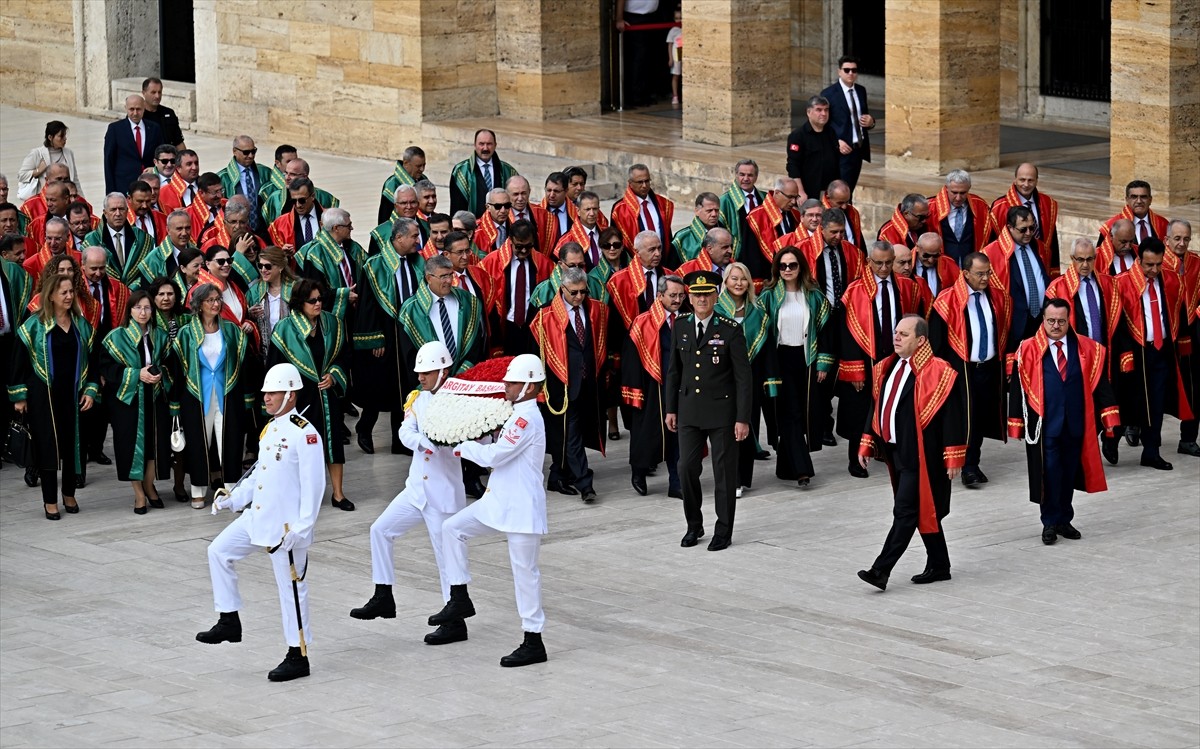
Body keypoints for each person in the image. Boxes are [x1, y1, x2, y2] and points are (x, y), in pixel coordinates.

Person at [198, 362, 324, 682]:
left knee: (291, 590)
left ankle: (298, 654)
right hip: (259, 517)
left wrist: (303, 528)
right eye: (266, 392)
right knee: (218, 551)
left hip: (285, 528)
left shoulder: (304, 434)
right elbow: (260, 476)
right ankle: (229, 620)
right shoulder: (271, 429)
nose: (265, 397)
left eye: (273, 392)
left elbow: (314, 486)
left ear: (290, 395)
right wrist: (234, 499)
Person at [427, 354, 550, 667]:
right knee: (452, 529)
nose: (505, 386)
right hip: (499, 500)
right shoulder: (513, 413)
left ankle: (533, 639)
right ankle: (459, 597)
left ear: (530, 386)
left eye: (512, 382)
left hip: (521, 505)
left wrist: (463, 446)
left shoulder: (526, 418)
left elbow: (496, 456)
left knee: (525, 573)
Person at [350, 341, 469, 643]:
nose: (420, 378)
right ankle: (383, 593)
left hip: (442, 493)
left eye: (426, 373)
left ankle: (455, 622)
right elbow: (405, 431)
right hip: (416, 489)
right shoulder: (417, 398)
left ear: (443, 370)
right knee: (380, 530)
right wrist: (424, 441)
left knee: (446, 558)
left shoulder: (459, 398)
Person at [856, 315, 966, 591]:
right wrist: (868, 441)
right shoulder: (887, 367)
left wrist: (953, 456)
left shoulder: (938, 371)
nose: (896, 338)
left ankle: (880, 571)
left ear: (921, 340)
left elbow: (954, 417)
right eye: (896, 332)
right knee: (923, 512)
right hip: (896, 453)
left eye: (904, 334)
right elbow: (877, 406)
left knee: (904, 511)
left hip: (922, 456)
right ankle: (940, 565)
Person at [1009, 299, 1120, 545]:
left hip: (1076, 422)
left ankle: (1064, 519)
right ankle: (1049, 522)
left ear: (1069, 319)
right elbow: (1018, 388)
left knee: (1069, 472)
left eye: (1061, 321)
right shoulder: (1027, 348)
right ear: (1043, 320)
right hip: (1045, 425)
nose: (1056, 326)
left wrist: (1110, 417)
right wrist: (1016, 423)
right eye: (1051, 321)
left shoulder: (1087, 348)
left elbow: (1100, 384)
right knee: (1049, 473)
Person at [665, 270, 752, 552]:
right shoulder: (681, 326)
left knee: (724, 473)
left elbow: (743, 377)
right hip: (689, 409)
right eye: (696, 294)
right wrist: (670, 409)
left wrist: (742, 418)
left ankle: (723, 530)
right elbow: (674, 372)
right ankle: (694, 525)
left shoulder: (729, 329)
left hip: (722, 412)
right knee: (686, 467)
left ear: (716, 296)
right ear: (689, 297)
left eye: (706, 294)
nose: (701, 299)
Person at [10, 272, 98, 517]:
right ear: (50, 295)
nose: (69, 296)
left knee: (72, 446)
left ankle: (69, 494)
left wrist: (90, 390)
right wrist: (19, 396)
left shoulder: (81, 325)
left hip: (73, 395)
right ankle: (50, 500)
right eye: (64, 293)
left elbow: (94, 362)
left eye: (71, 292)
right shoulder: (34, 325)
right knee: (48, 446)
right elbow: (19, 363)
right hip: (43, 396)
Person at [837, 241, 923, 478]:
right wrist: (854, 370)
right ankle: (856, 458)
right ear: (868, 262)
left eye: (888, 262)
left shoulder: (907, 287)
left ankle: (889, 453)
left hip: (896, 356)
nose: (884, 268)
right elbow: (846, 333)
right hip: (865, 358)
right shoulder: (854, 291)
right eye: (879, 263)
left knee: (896, 407)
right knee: (860, 411)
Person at [267, 278, 353, 510]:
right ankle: (300, 495)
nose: (318, 304)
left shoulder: (332, 323)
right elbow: (274, 367)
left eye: (320, 299)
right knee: (300, 446)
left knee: (333, 442)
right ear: (299, 303)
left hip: (327, 395)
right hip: (299, 398)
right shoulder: (285, 329)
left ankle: (338, 494)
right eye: (312, 300)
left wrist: (334, 375)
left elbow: (344, 356)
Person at [929, 253, 1012, 488]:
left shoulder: (997, 298)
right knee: (964, 419)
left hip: (988, 369)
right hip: (961, 370)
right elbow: (936, 344)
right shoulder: (947, 301)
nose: (986, 278)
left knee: (981, 418)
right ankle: (966, 466)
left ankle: (972, 462)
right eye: (980, 274)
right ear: (965, 274)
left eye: (988, 273)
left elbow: (1004, 330)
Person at [1112, 238, 1193, 470]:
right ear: (1139, 261)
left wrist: (1183, 343)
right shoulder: (1123, 282)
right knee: (1128, 401)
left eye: (1158, 264)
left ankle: (1151, 451)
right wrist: (1125, 352)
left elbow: (1180, 310)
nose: (1154, 270)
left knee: (1156, 403)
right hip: (1134, 352)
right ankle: (1111, 437)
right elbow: (1116, 323)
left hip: (1160, 349)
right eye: (1149, 265)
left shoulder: (1170, 280)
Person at [531, 267, 608, 502]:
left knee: (575, 433)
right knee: (571, 434)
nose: (578, 297)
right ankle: (585, 484)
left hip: (589, 384)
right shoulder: (545, 317)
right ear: (562, 289)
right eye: (573, 293)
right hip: (561, 386)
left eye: (583, 292)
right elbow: (537, 354)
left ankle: (557, 476)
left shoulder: (596, 310)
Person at [172, 282, 249, 508]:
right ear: (198, 305)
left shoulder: (231, 330)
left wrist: (247, 396)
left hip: (227, 394)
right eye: (210, 300)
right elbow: (177, 370)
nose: (216, 304)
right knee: (198, 443)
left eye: (218, 300)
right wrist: (175, 403)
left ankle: (232, 489)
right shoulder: (187, 333)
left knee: (231, 441)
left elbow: (243, 365)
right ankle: (198, 489)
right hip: (196, 396)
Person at [760, 247, 832, 487]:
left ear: (801, 267)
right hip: (780, 360)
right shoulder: (768, 295)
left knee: (802, 412)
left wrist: (823, 362)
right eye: (783, 266)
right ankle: (803, 469)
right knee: (789, 413)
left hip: (807, 358)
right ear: (776, 269)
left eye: (792, 265)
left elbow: (825, 332)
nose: (787, 270)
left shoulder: (813, 295)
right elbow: (760, 331)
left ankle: (784, 467)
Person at [354, 218, 424, 454]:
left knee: (405, 386)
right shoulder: (375, 265)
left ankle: (400, 440)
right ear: (398, 238)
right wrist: (376, 338)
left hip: (408, 332)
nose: (418, 240)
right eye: (414, 236)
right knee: (380, 387)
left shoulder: (417, 262)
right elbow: (367, 304)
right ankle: (364, 427)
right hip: (385, 333)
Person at [99, 290, 172, 514]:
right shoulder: (116, 337)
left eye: (147, 308)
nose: (143, 312)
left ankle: (150, 486)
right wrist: (135, 374)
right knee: (131, 446)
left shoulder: (159, 335)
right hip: (128, 401)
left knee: (153, 445)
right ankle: (138, 494)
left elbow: (170, 363)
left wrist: (160, 374)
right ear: (129, 310)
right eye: (138, 307)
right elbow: (106, 369)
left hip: (155, 397)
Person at [800, 208, 863, 446]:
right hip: (819, 318)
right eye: (834, 232)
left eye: (842, 232)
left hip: (845, 315)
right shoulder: (805, 249)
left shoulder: (851, 251)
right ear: (821, 229)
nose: (839, 236)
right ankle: (823, 425)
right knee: (822, 373)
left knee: (843, 367)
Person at [624, 274, 685, 498]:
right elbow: (631, 362)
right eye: (672, 295)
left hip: (680, 386)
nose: (677, 300)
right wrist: (634, 392)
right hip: (651, 387)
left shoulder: (688, 319)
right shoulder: (643, 322)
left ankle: (676, 482)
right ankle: (638, 473)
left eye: (681, 295)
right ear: (660, 296)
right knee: (646, 435)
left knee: (678, 436)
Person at [717, 262, 771, 495]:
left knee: (746, 426)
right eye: (734, 279)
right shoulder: (716, 310)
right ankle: (730, 477)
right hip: (721, 378)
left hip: (750, 378)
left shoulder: (758, 312)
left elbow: (767, 350)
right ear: (726, 282)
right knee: (726, 430)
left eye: (743, 279)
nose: (739, 283)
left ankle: (741, 479)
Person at [478, 220, 553, 356]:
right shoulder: (491, 263)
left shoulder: (544, 264)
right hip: (505, 327)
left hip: (532, 327)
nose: (524, 251)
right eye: (519, 246)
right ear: (510, 240)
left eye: (528, 246)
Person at [983, 205, 1050, 343]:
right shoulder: (991, 253)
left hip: (1042, 321)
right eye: (1023, 229)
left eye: (1032, 228)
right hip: (1014, 325)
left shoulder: (1040, 247)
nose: (1028, 233)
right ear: (1010, 227)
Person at [1163, 220, 1199, 457]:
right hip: (1164, 335)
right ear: (1166, 240)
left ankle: (1188, 439)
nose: (1181, 243)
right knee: (1156, 387)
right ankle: (1137, 430)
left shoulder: (1196, 262)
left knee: (1194, 387)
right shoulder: (1157, 263)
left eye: (1186, 238)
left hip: (1193, 334)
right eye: (1177, 238)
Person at [991, 163, 1060, 278]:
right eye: (1022, 180)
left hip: (1041, 264)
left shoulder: (1048, 204)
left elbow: (1052, 241)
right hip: (1014, 267)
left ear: (1037, 181)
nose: (1026, 185)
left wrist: (1054, 272)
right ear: (1015, 180)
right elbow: (993, 243)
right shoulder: (1000, 207)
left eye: (1030, 180)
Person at [820, 56, 875, 192]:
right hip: (840, 151)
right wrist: (836, 142)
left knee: (850, 190)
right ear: (839, 71)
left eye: (854, 70)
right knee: (840, 192)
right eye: (847, 70)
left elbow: (865, 117)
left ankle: (847, 213)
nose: (851, 73)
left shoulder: (861, 91)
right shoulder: (829, 94)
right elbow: (821, 124)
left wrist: (871, 122)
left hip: (858, 150)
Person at [607, 229, 673, 333]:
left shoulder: (669, 275)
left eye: (659, 248)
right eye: (652, 250)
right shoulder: (619, 281)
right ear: (637, 252)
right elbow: (614, 322)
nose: (657, 253)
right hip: (634, 338)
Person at [928, 170, 997, 264]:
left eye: (963, 193)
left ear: (969, 188)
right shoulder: (931, 207)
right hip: (943, 265)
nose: (958, 198)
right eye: (954, 192)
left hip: (970, 264)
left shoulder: (980, 205)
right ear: (946, 188)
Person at [449, 129, 519, 217]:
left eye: (489, 144)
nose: (485, 148)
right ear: (475, 145)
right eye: (481, 144)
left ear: (495, 145)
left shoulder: (507, 170)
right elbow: (457, 206)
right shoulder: (461, 171)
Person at [744, 177, 802, 282]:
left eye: (796, 197)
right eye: (790, 197)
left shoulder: (795, 215)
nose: (793, 202)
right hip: (767, 279)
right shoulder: (756, 217)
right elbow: (751, 255)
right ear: (777, 193)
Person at [103, 95, 162, 195]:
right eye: (131, 109)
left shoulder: (154, 128)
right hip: (124, 185)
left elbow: (161, 153)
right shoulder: (115, 129)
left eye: (138, 109)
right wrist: (110, 192)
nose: (135, 113)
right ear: (126, 108)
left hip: (150, 185)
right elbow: (109, 161)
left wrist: (155, 168)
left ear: (144, 108)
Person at [785, 95, 840, 200]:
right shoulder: (798, 136)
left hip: (829, 192)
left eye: (826, 110)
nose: (823, 114)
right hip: (808, 193)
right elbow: (793, 166)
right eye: (818, 110)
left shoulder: (831, 133)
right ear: (808, 112)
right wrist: (800, 192)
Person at [610, 164, 673, 251]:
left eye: (647, 181)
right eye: (640, 182)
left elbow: (667, 235)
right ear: (630, 183)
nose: (644, 185)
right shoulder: (620, 209)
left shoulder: (662, 204)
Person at [217, 136, 272, 237]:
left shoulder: (265, 172)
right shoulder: (223, 177)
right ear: (234, 151)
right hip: (237, 232)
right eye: (246, 152)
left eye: (253, 151)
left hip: (263, 231)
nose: (250, 156)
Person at [18, 121, 82, 201]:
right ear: (50, 137)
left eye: (65, 135)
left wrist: (82, 200)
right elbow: (21, 175)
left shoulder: (69, 153)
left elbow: (75, 180)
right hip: (45, 200)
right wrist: (38, 171)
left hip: (67, 200)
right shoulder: (37, 154)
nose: (65, 139)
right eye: (61, 136)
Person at [719, 159, 766, 265]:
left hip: (762, 257)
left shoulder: (765, 198)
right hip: (739, 258)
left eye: (750, 175)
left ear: (756, 177)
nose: (745, 179)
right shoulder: (725, 201)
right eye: (742, 175)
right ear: (736, 175)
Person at [1099, 180, 1169, 245]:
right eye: (1134, 197)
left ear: (1150, 200)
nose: (1139, 201)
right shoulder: (1111, 226)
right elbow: (1100, 256)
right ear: (1127, 200)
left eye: (1143, 197)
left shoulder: (1163, 224)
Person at [669, 192, 722, 268]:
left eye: (716, 210)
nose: (714, 214)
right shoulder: (681, 239)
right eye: (709, 211)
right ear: (697, 211)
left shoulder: (725, 233)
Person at [379, 145, 426, 224]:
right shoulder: (392, 184)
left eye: (424, 165)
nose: (422, 169)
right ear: (406, 163)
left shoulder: (423, 179)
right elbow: (385, 216)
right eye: (418, 166)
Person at [140, 77, 186, 148]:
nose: (157, 96)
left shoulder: (169, 113)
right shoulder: (137, 115)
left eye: (159, 92)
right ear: (144, 93)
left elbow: (179, 142)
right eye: (153, 92)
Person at [158, 149, 201, 214]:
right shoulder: (163, 193)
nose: (194, 167)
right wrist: (171, 213)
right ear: (178, 168)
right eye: (189, 164)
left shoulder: (206, 186)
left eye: (196, 163)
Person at [665, 6, 682, 104]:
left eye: (681, 18)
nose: (679, 20)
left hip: (684, 53)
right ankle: (675, 96)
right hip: (676, 53)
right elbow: (670, 44)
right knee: (676, 74)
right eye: (677, 18)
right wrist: (670, 58)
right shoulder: (673, 30)